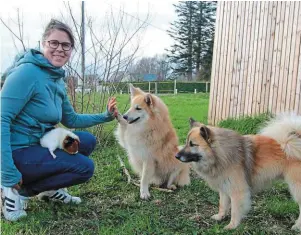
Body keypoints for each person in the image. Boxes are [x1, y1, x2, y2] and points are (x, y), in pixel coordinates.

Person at [1, 19, 118, 221]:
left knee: (87, 141)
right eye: (53, 43)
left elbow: (70, 119)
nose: (60, 49)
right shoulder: (26, 73)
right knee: (84, 167)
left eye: (66, 45)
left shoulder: (56, 78)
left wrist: (106, 115)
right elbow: (1, 120)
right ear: (43, 44)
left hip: (38, 145)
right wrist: (7, 171)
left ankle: (48, 190)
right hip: (17, 151)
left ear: (71, 49)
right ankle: (15, 191)